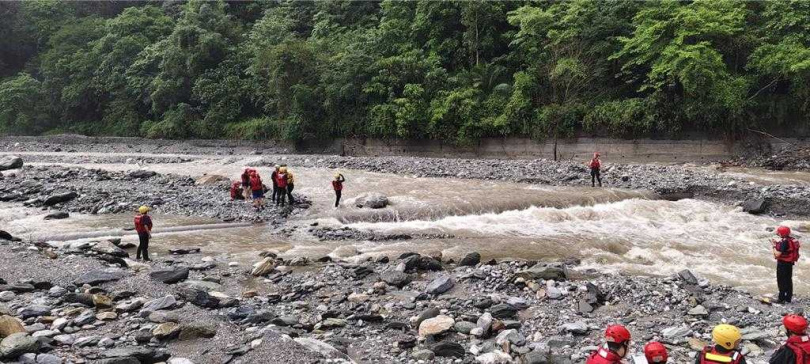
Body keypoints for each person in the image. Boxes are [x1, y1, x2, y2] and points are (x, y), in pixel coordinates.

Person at [773, 225, 800, 303]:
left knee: (781, 281)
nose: (778, 233)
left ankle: (781, 299)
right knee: (788, 280)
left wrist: (774, 246)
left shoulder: (784, 241)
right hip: (789, 263)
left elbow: (777, 254)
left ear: (782, 233)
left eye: (779, 232)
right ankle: (788, 298)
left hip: (782, 264)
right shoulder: (791, 239)